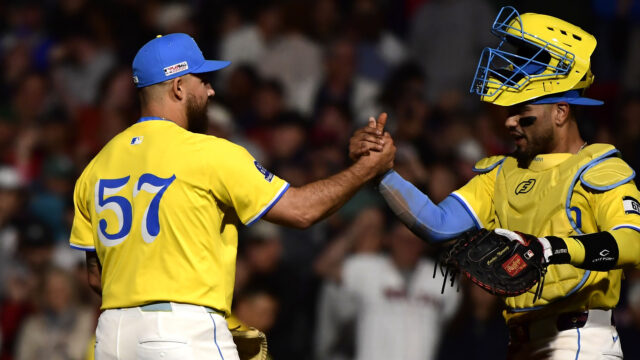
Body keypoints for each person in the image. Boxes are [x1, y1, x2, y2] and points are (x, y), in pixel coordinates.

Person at [69, 33, 395, 360]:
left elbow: (96, 277)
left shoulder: (96, 167)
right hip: (181, 331)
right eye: (203, 80)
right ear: (178, 86)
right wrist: (366, 170)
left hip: (112, 337)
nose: (210, 90)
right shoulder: (209, 153)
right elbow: (301, 211)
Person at [351, 6, 640, 360]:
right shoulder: (500, 173)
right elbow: (437, 225)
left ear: (562, 111)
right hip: (520, 342)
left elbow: (632, 242)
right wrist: (382, 173)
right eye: (507, 110)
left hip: (580, 339)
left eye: (522, 109)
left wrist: (553, 248)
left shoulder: (598, 168)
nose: (510, 121)